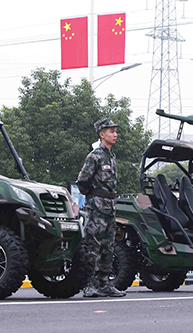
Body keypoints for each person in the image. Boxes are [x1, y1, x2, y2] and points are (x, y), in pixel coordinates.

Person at [76, 118, 126, 298]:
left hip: (110, 207)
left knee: (108, 246)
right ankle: (89, 284)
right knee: (92, 246)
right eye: (111, 131)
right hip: (97, 207)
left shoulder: (111, 156)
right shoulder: (94, 156)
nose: (115, 134)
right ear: (102, 134)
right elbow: (82, 181)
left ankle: (104, 283)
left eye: (115, 131)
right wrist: (93, 197)